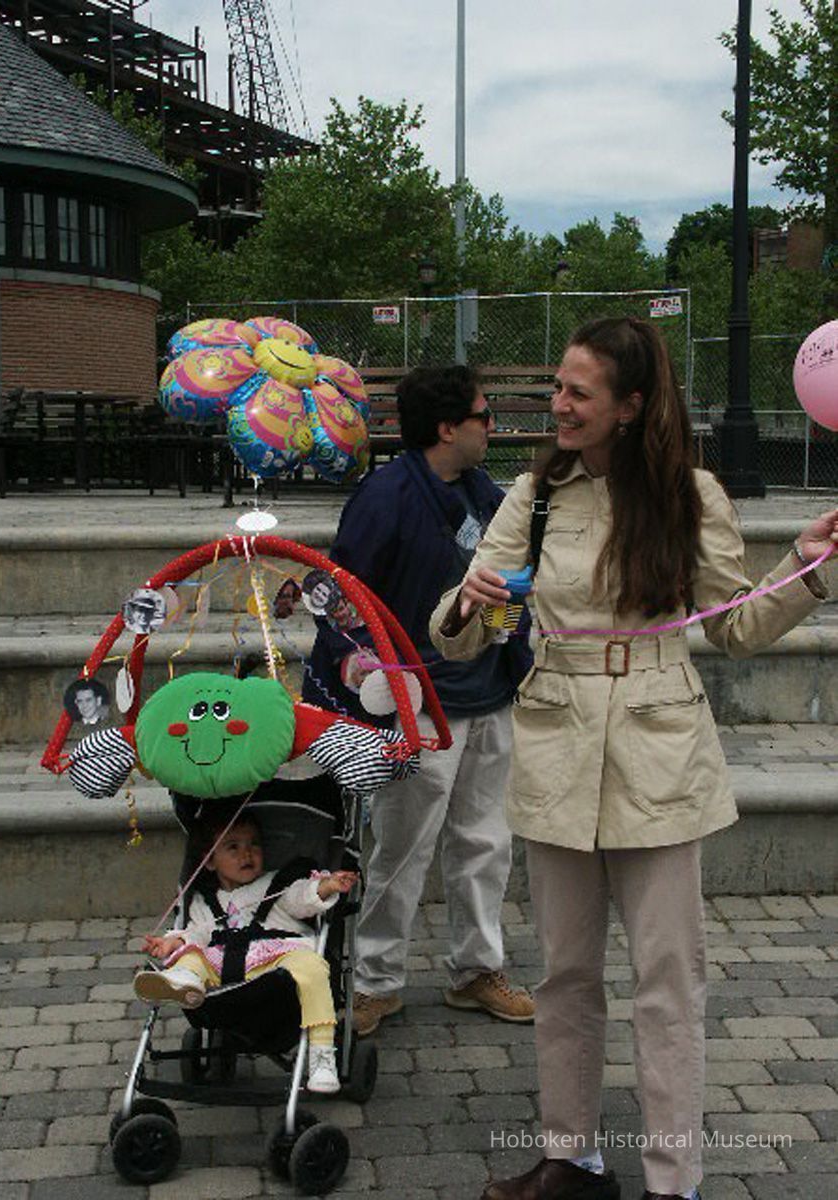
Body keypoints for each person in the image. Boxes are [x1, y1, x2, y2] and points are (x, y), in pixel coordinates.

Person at [429, 316, 837, 1200]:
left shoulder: (693, 496)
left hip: (660, 753)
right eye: (558, 387)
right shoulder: (534, 495)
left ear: (631, 405)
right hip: (556, 744)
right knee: (565, 974)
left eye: (579, 392)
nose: (558, 405)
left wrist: (807, 569)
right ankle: (570, 1159)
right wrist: (468, 605)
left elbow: (734, 628)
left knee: (667, 981)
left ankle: (672, 1182)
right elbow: (463, 632)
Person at [304, 364, 535, 1037]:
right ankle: (375, 982)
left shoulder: (487, 495)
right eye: (484, 416)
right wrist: (370, 681)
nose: (493, 427)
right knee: (401, 850)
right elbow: (342, 601)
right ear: (447, 428)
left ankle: (476, 970)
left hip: (490, 692)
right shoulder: (383, 498)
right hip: (416, 706)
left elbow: (514, 581)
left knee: (486, 844)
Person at [133, 814, 358, 1094]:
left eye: (254, 844)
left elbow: (302, 898)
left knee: (312, 966)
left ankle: (322, 1055)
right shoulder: (203, 901)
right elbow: (195, 933)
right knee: (193, 954)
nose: (247, 853)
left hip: (276, 965)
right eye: (233, 847)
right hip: (223, 968)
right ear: (209, 861)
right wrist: (171, 943)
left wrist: (326, 886)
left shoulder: (276, 884)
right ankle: (183, 979)